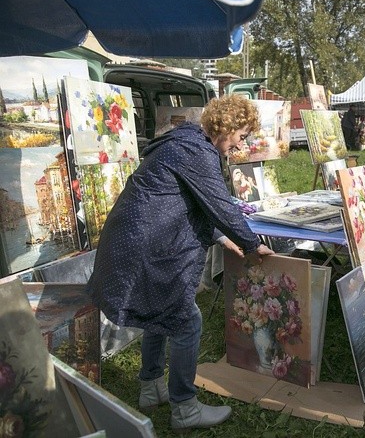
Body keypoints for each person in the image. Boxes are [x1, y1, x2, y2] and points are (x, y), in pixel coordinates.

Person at [86, 95, 274, 433]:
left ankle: (150, 387)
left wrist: (225, 239)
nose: (241, 144)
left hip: (138, 239)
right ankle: (184, 408)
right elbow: (218, 203)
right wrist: (252, 245)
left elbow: (194, 199)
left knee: (162, 311)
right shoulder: (197, 151)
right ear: (227, 126)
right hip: (146, 243)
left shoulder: (187, 142)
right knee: (186, 319)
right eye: (242, 136)